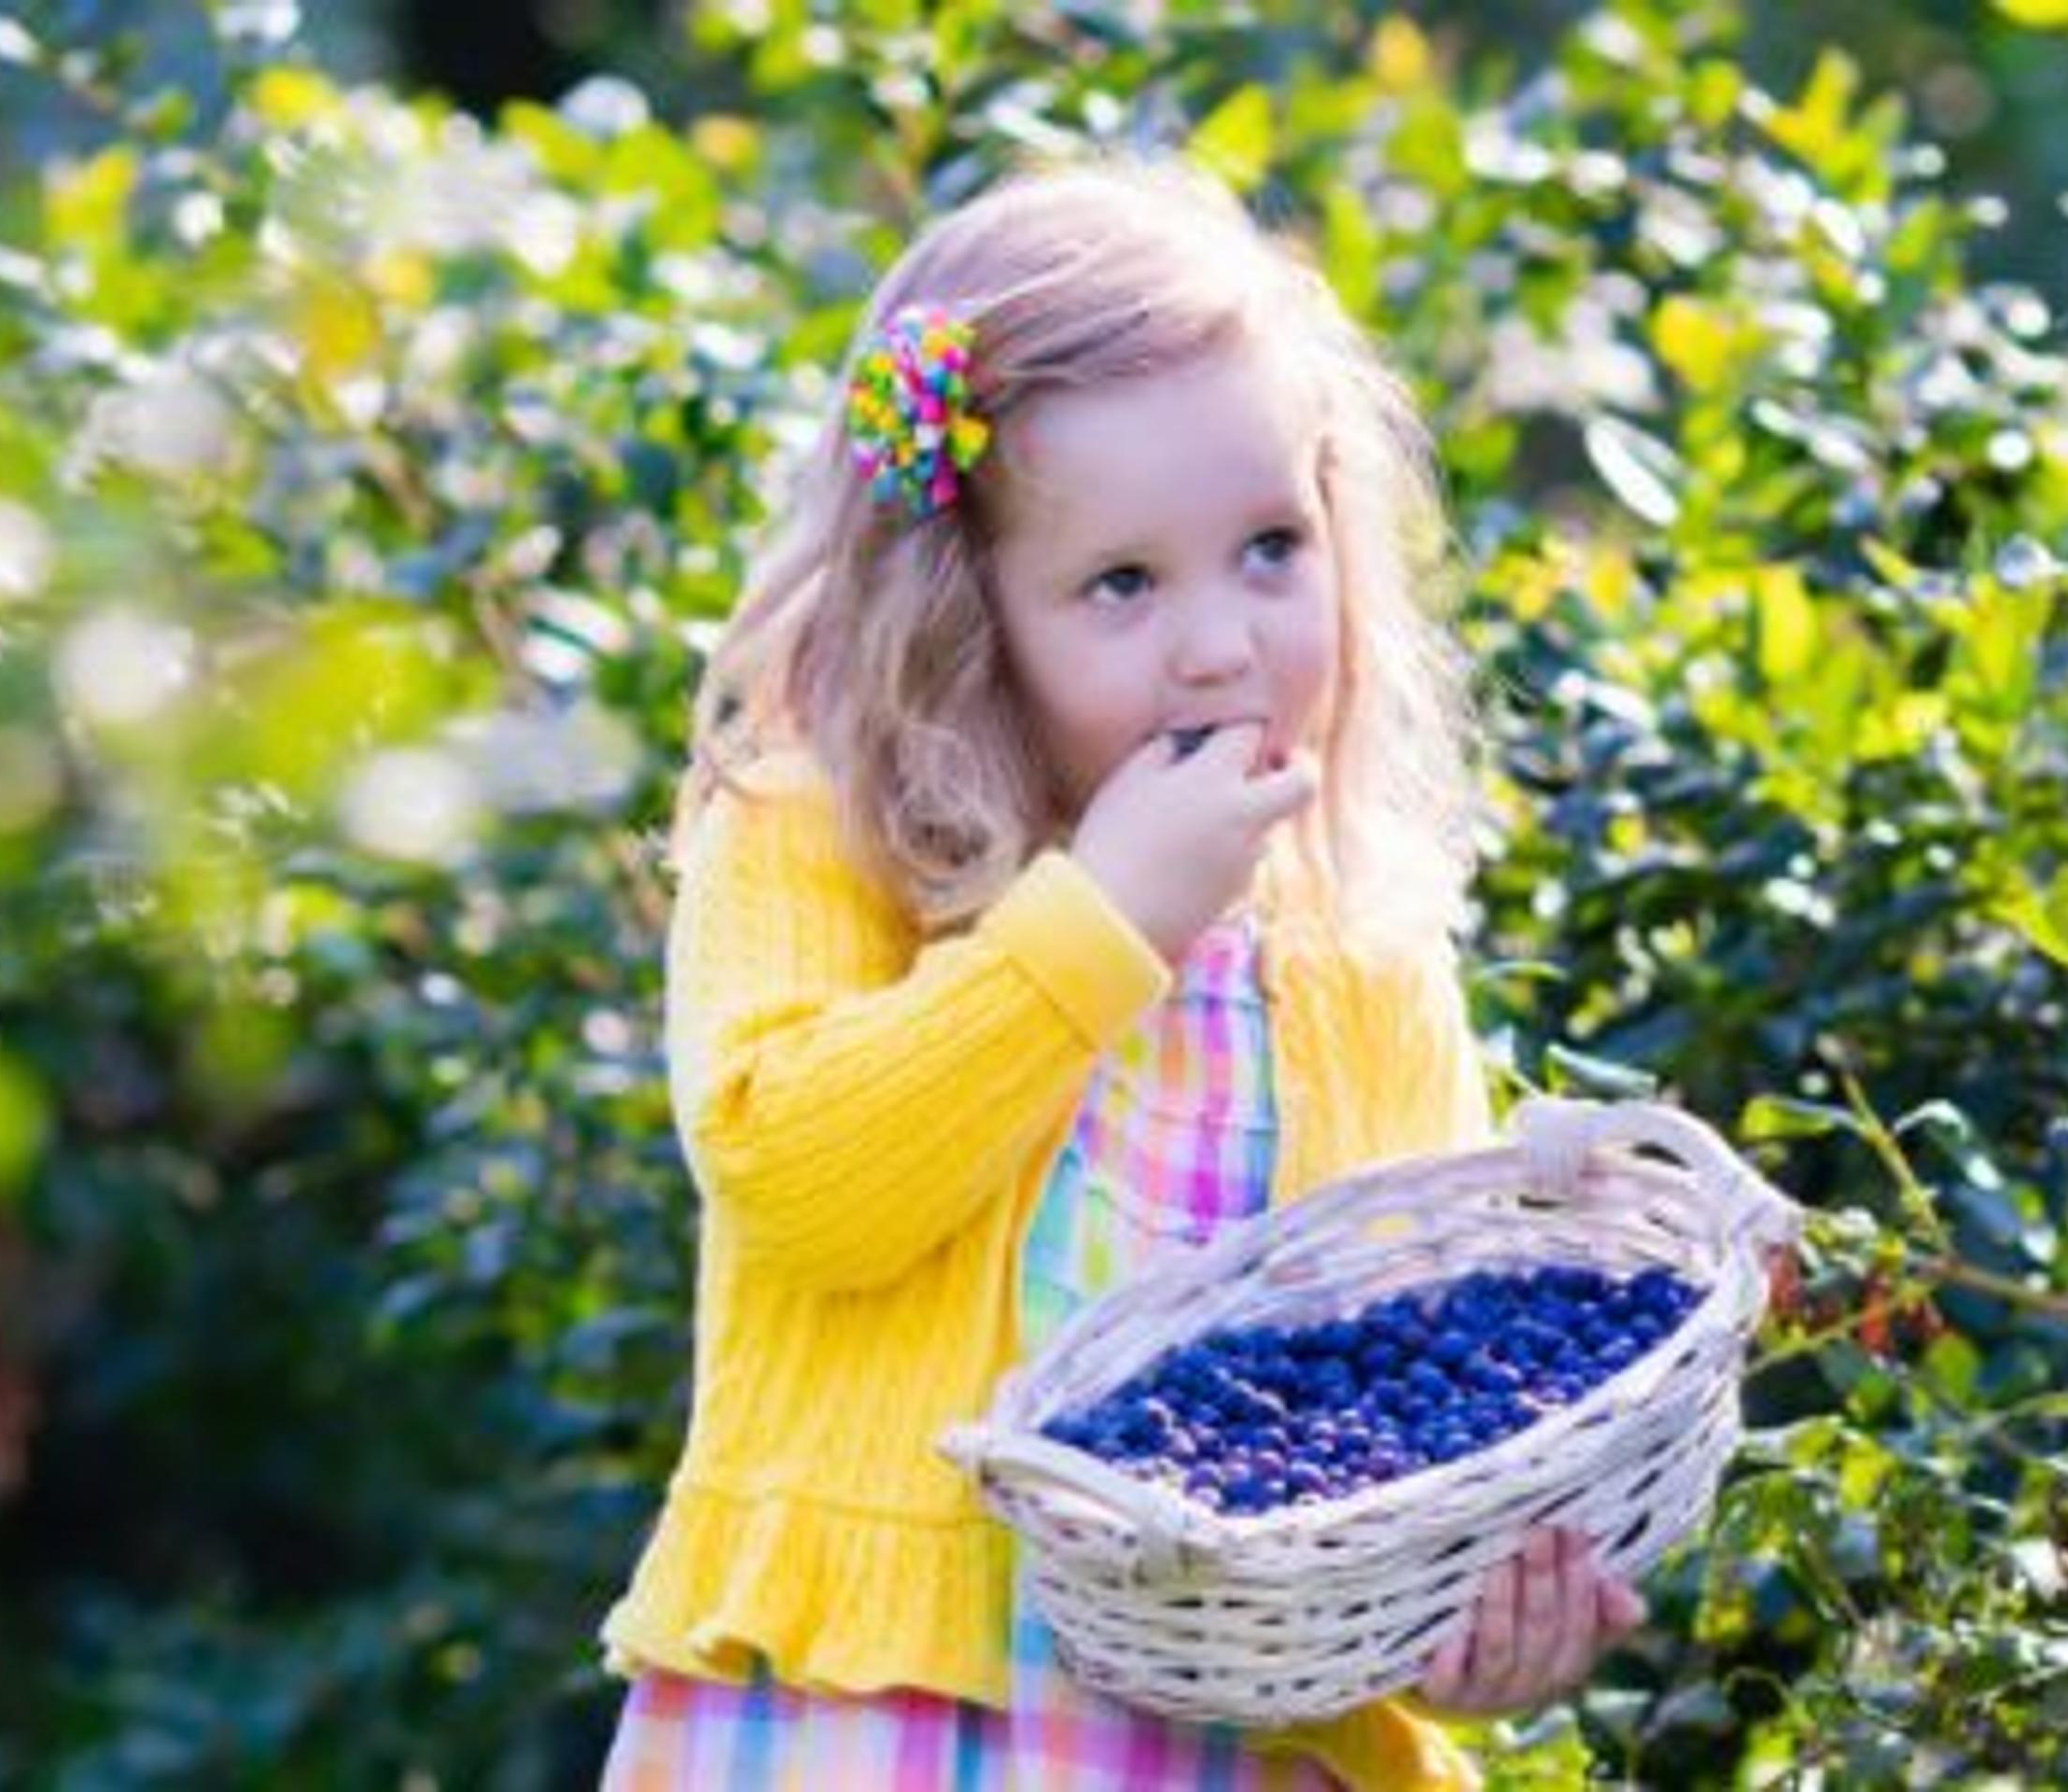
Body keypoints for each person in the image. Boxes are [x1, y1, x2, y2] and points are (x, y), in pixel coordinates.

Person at [594, 155, 1645, 1791]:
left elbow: (1408, 1432)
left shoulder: (1356, 953)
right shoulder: (825, 828)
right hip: (864, 1736)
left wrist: (1480, 1645)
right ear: (964, 613)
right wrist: (1105, 919)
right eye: (1124, 583)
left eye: (1272, 549)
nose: (1222, 642)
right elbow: (799, 1180)